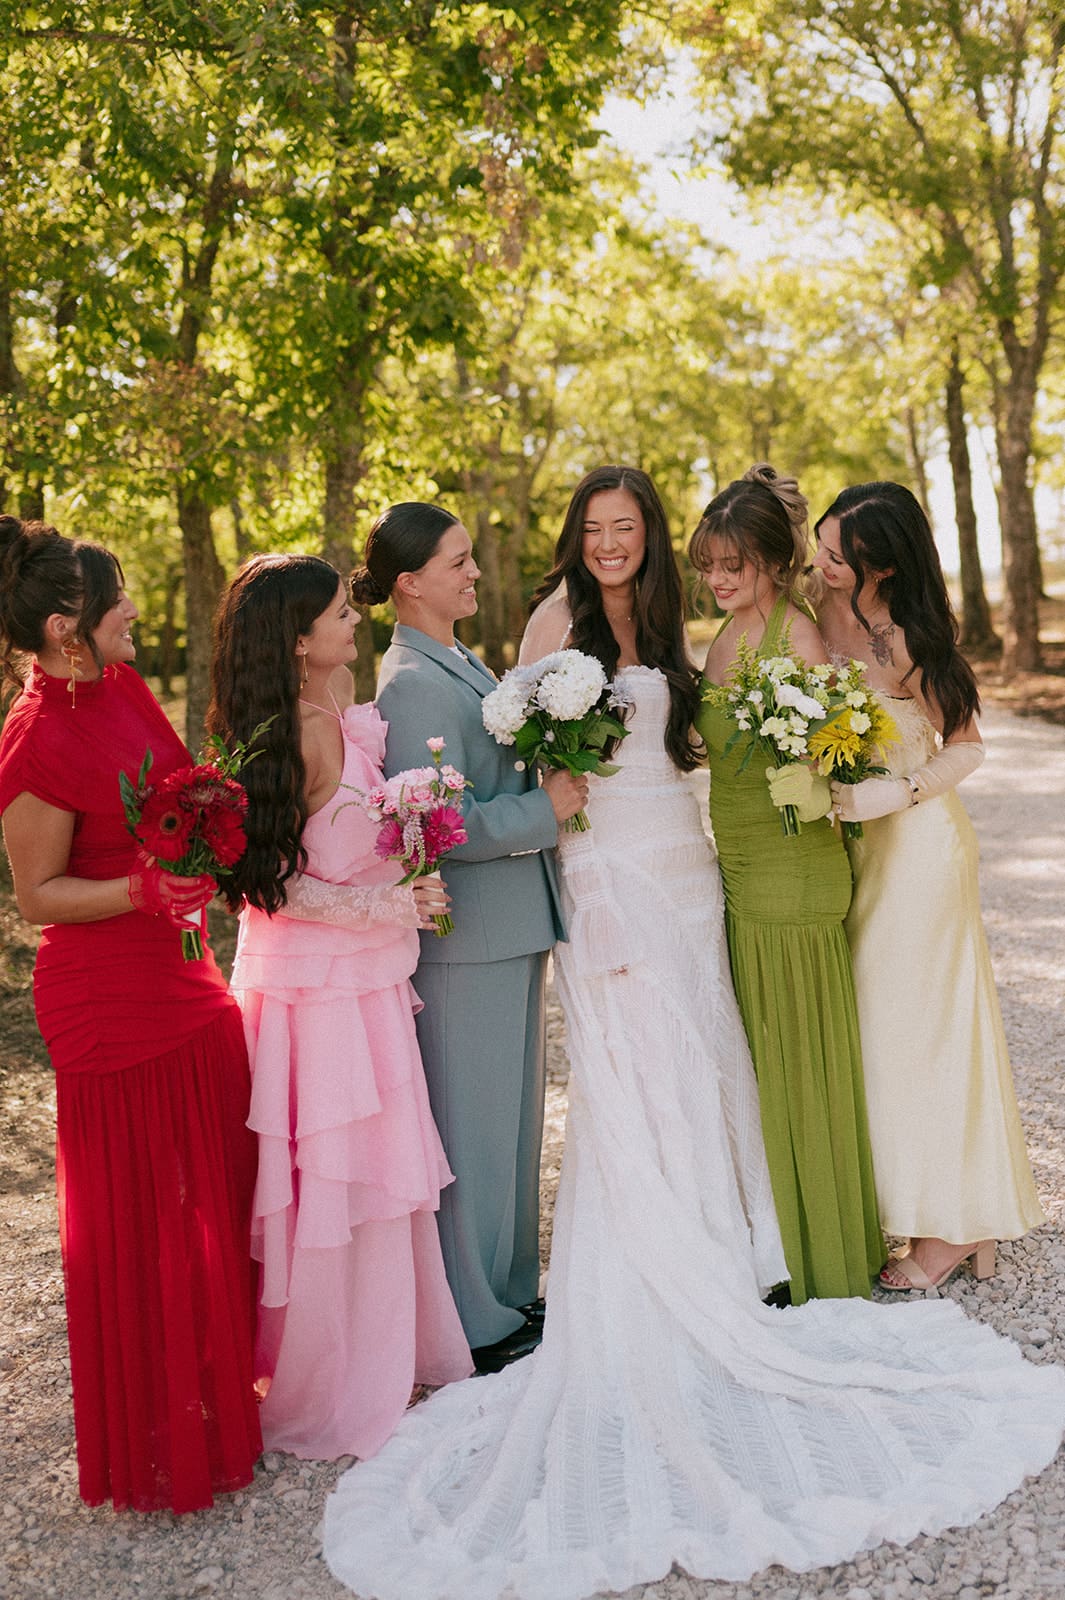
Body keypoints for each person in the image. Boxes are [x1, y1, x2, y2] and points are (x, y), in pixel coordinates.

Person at [320, 466, 1065, 1600]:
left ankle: (743, 1247)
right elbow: (521, 748)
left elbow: (705, 736)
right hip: (606, 863)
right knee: (632, 1062)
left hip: (688, 859)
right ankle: (651, 1265)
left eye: (629, 529)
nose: (612, 545)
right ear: (578, 536)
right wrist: (558, 818)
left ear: (650, 538)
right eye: (596, 529)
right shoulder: (552, 617)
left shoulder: (678, 616)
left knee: (712, 1052)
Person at [0, 516, 261, 1513]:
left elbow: (169, 798)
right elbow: (38, 895)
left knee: (218, 1190)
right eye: (119, 607)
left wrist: (206, 839)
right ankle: (159, 1439)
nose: (138, 613)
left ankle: (221, 1394)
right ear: (68, 625)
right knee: (145, 1224)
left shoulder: (115, 686)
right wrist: (140, 895)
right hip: (108, 999)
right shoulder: (36, 735)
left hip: (184, 973)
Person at [207, 553, 472, 1459]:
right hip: (313, 993)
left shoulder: (334, 713)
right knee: (334, 1183)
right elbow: (273, 887)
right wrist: (394, 901)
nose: (352, 619)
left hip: (359, 979)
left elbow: (342, 844)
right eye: (336, 613)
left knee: (375, 1176)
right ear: (299, 639)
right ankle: (328, 1375)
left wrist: (404, 869)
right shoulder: (298, 734)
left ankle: (386, 1349)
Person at [352, 503, 585, 1372]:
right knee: (474, 1133)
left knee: (515, 1125)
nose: (474, 572)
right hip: (466, 937)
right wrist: (545, 809)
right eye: (457, 562)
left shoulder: (456, 657)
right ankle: (475, 1321)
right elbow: (436, 824)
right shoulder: (409, 681)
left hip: (511, 924)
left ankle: (512, 1286)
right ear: (409, 582)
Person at [812, 482, 1044, 1291]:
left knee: (928, 1030)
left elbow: (967, 744)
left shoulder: (910, 635)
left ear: (880, 561)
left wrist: (896, 793)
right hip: (857, 853)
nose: (823, 563)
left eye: (838, 554)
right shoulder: (816, 612)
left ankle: (956, 1227)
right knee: (878, 1032)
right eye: (820, 545)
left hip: (919, 849)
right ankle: (911, 1201)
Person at [690, 463, 884, 1302]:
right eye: (706, 564)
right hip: (735, 861)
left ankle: (824, 1255)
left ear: (773, 559)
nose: (717, 579)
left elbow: (840, 748)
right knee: (763, 1056)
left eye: (731, 565)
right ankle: (778, 1239)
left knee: (799, 1056)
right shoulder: (725, 634)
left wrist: (810, 762)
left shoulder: (797, 636)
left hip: (790, 866)